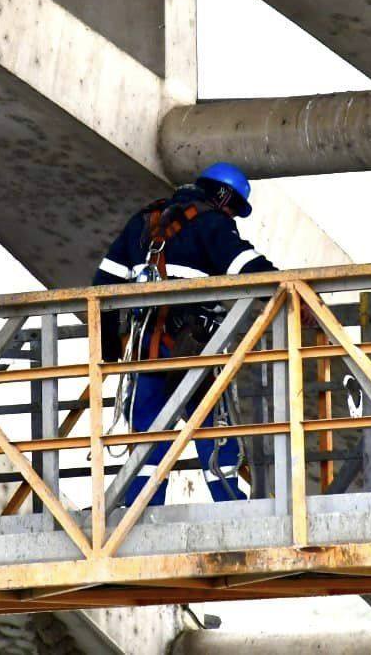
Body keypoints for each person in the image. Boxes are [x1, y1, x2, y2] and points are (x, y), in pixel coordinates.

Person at [93, 163, 275, 506]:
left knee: (148, 434)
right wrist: (298, 294)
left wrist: (108, 349)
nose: (234, 216)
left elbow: (102, 286)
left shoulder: (142, 222)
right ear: (223, 196)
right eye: (235, 207)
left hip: (145, 349)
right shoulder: (212, 223)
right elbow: (249, 269)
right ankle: (230, 505)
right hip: (193, 348)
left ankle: (140, 513)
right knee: (214, 430)